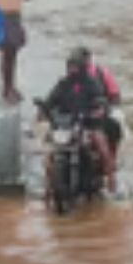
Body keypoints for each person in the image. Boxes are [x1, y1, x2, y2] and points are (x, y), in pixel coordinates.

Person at [42, 50, 116, 194]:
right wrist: (44, 110)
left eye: (75, 67)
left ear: (82, 67)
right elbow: (51, 100)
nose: (72, 70)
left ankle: (112, 179)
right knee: (49, 153)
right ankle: (48, 188)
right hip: (66, 126)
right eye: (70, 66)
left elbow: (100, 100)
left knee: (102, 145)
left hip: (89, 124)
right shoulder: (63, 83)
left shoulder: (92, 83)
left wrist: (99, 110)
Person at [0, 0, 32, 103]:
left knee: (13, 53)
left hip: (15, 14)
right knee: (7, 52)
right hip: (1, 13)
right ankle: (6, 88)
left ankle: (10, 85)